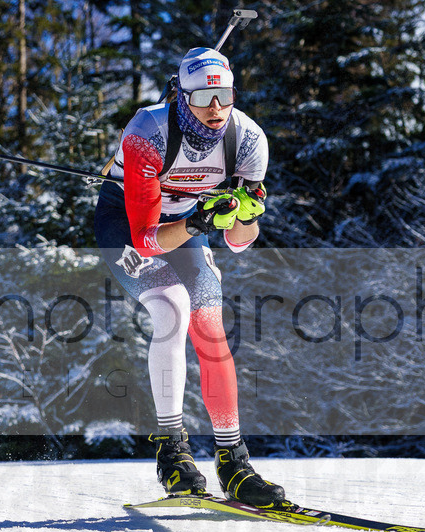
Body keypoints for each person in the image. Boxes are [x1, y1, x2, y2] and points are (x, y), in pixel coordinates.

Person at [93, 47, 285, 508]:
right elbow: (145, 240)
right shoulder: (147, 132)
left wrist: (245, 214)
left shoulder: (249, 140)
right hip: (128, 228)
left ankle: (233, 462)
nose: (215, 108)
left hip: (186, 227)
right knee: (172, 309)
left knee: (211, 326)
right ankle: (172, 453)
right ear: (181, 94)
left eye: (223, 95)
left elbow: (240, 241)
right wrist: (201, 221)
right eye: (202, 96)